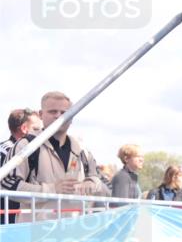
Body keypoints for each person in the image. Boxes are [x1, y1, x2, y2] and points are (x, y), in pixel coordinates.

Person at [2, 91, 109, 221]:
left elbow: (98, 179)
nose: (58, 116)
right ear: (41, 115)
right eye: (53, 112)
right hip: (35, 234)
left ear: (72, 116)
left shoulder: (81, 149)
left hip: (74, 232)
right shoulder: (26, 145)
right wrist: (52, 190)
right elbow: (7, 184)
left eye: (64, 113)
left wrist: (89, 184)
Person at [1, 108, 43, 224]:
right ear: (24, 129)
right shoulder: (8, 151)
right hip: (10, 217)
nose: (41, 133)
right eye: (37, 129)